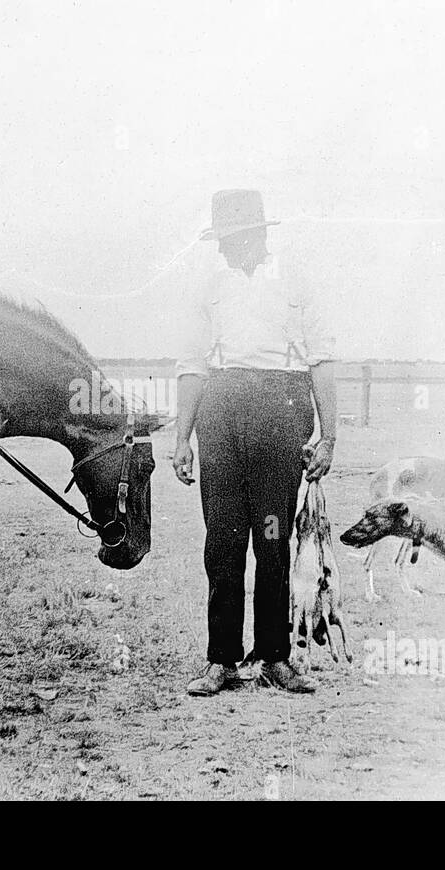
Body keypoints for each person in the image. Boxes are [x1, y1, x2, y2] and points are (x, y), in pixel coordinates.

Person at [173, 189, 338, 695]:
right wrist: (183, 437)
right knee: (222, 539)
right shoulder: (210, 287)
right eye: (219, 240)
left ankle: (273, 656)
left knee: (272, 538)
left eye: (230, 239)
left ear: (256, 235)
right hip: (221, 414)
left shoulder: (295, 280)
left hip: (280, 411)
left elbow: (322, 360)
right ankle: (220, 659)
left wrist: (328, 435)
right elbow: (192, 366)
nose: (223, 249)